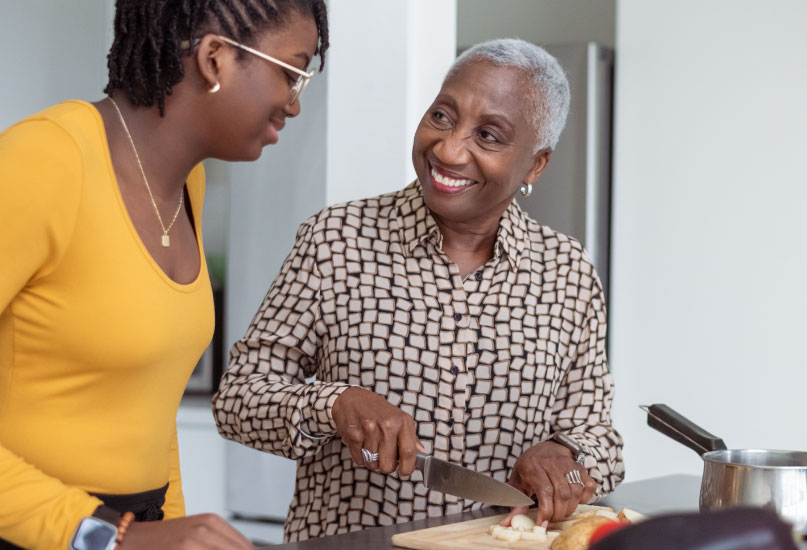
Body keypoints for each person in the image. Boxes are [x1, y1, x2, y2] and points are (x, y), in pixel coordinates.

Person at [0, 1, 328, 548]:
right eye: (292, 71)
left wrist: (160, 530)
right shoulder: (42, 161)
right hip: (4, 533)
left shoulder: (188, 188)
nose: (294, 102)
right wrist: (107, 536)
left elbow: (152, 412)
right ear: (215, 58)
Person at [213, 38, 625, 542]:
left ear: (535, 165)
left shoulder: (567, 270)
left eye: (489, 136)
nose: (449, 149)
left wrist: (568, 457)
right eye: (442, 117)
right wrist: (334, 404)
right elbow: (238, 399)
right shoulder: (337, 239)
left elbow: (601, 440)